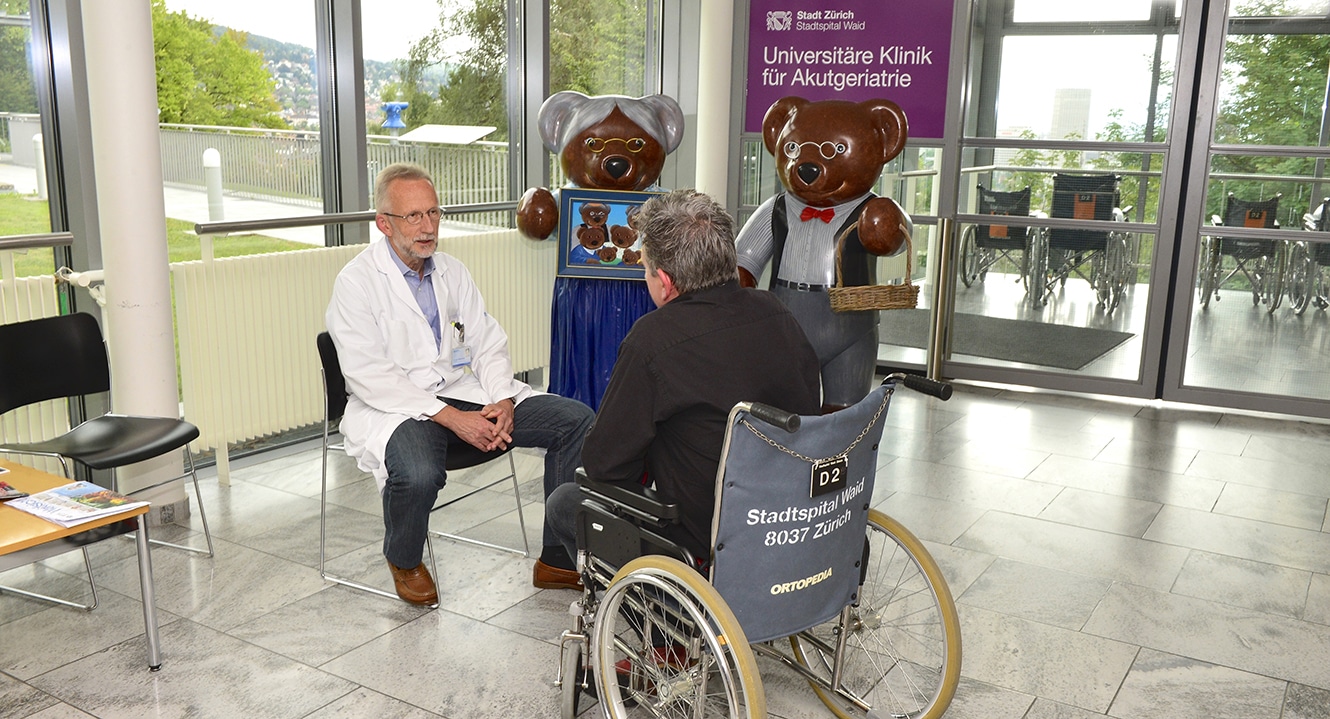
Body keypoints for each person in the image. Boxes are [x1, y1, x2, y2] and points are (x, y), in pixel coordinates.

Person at [326, 163, 595, 605]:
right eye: (413, 216)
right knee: (417, 473)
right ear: (383, 224)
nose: (428, 227)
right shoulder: (355, 283)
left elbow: (485, 340)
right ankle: (405, 558)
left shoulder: (451, 271)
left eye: (433, 213)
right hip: (395, 407)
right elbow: (369, 375)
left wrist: (504, 399)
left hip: (462, 389)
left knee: (574, 420)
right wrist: (455, 420)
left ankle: (556, 560)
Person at [545, 188, 822, 564]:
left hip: (706, 545)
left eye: (645, 269)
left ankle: (665, 618)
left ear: (665, 280)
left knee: (566, 502)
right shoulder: (775, 311)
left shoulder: (654, 339)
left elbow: (604, 464)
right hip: (788, 525)